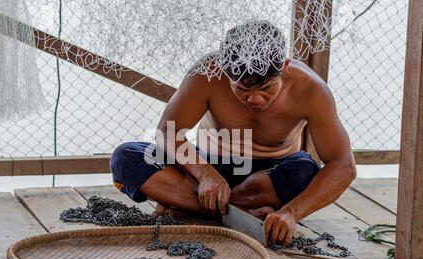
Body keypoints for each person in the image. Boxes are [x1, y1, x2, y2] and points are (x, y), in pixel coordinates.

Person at [110, 21, 356, 246]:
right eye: (241, 89)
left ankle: (187, 204)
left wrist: (292, 212)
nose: (256, 99)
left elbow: (343, 165)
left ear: (285, 67)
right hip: (210, 168)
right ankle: (244, 214)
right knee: (126, 157)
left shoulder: (311, 88)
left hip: (270, 177)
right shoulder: (206, 73)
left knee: (304, 171)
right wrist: (205, 174)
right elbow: (167, 132)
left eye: (268, 88)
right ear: (223, 71)